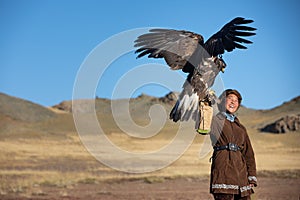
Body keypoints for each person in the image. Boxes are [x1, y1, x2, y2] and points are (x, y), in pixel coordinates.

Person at [209, 89, 257, 200]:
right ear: (222, 101)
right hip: (223, 169)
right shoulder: (215, 120)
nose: (233, 102)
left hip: (241, 173)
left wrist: (251, 177)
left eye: (236, 101)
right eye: (230, 98)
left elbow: (248, 153)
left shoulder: (241, 128)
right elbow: (202, 123)